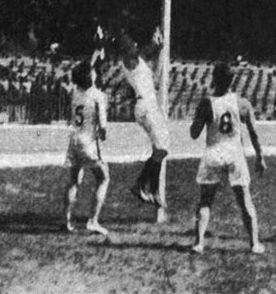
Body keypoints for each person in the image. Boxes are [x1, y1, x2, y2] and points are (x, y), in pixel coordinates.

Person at [189, 62, 266, 254]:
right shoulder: (243, 103)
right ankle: (254, 243)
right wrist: (260, 157)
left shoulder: (207, 102)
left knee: (205, 200)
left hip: (214, 151)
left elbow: (194, 133)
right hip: (234, 152)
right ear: (233, 81)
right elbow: (254, 134)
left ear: (214, 79)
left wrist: (199, 116)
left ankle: (199, 243)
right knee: (245, 200)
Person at [106, 25, 170, 223]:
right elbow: (139, 52)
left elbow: (155, 71)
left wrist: (158, 48)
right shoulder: (129, 60)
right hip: (145, 106)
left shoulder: (137, 61)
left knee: (162, 148)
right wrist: (153, 44)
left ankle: (147, 187)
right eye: (130, 44)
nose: (134, 45)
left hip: (149, 104)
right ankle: (144, 186)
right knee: (161, 147)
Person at [64, 61, 110, 235]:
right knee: (103, 177)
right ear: (89, 77)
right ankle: (93, 220)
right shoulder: (98, 96)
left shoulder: (75, 93)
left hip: (74, 139)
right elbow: (103, 126)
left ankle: (67, 220)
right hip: (87, 141)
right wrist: (103, 135)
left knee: (73, 180)